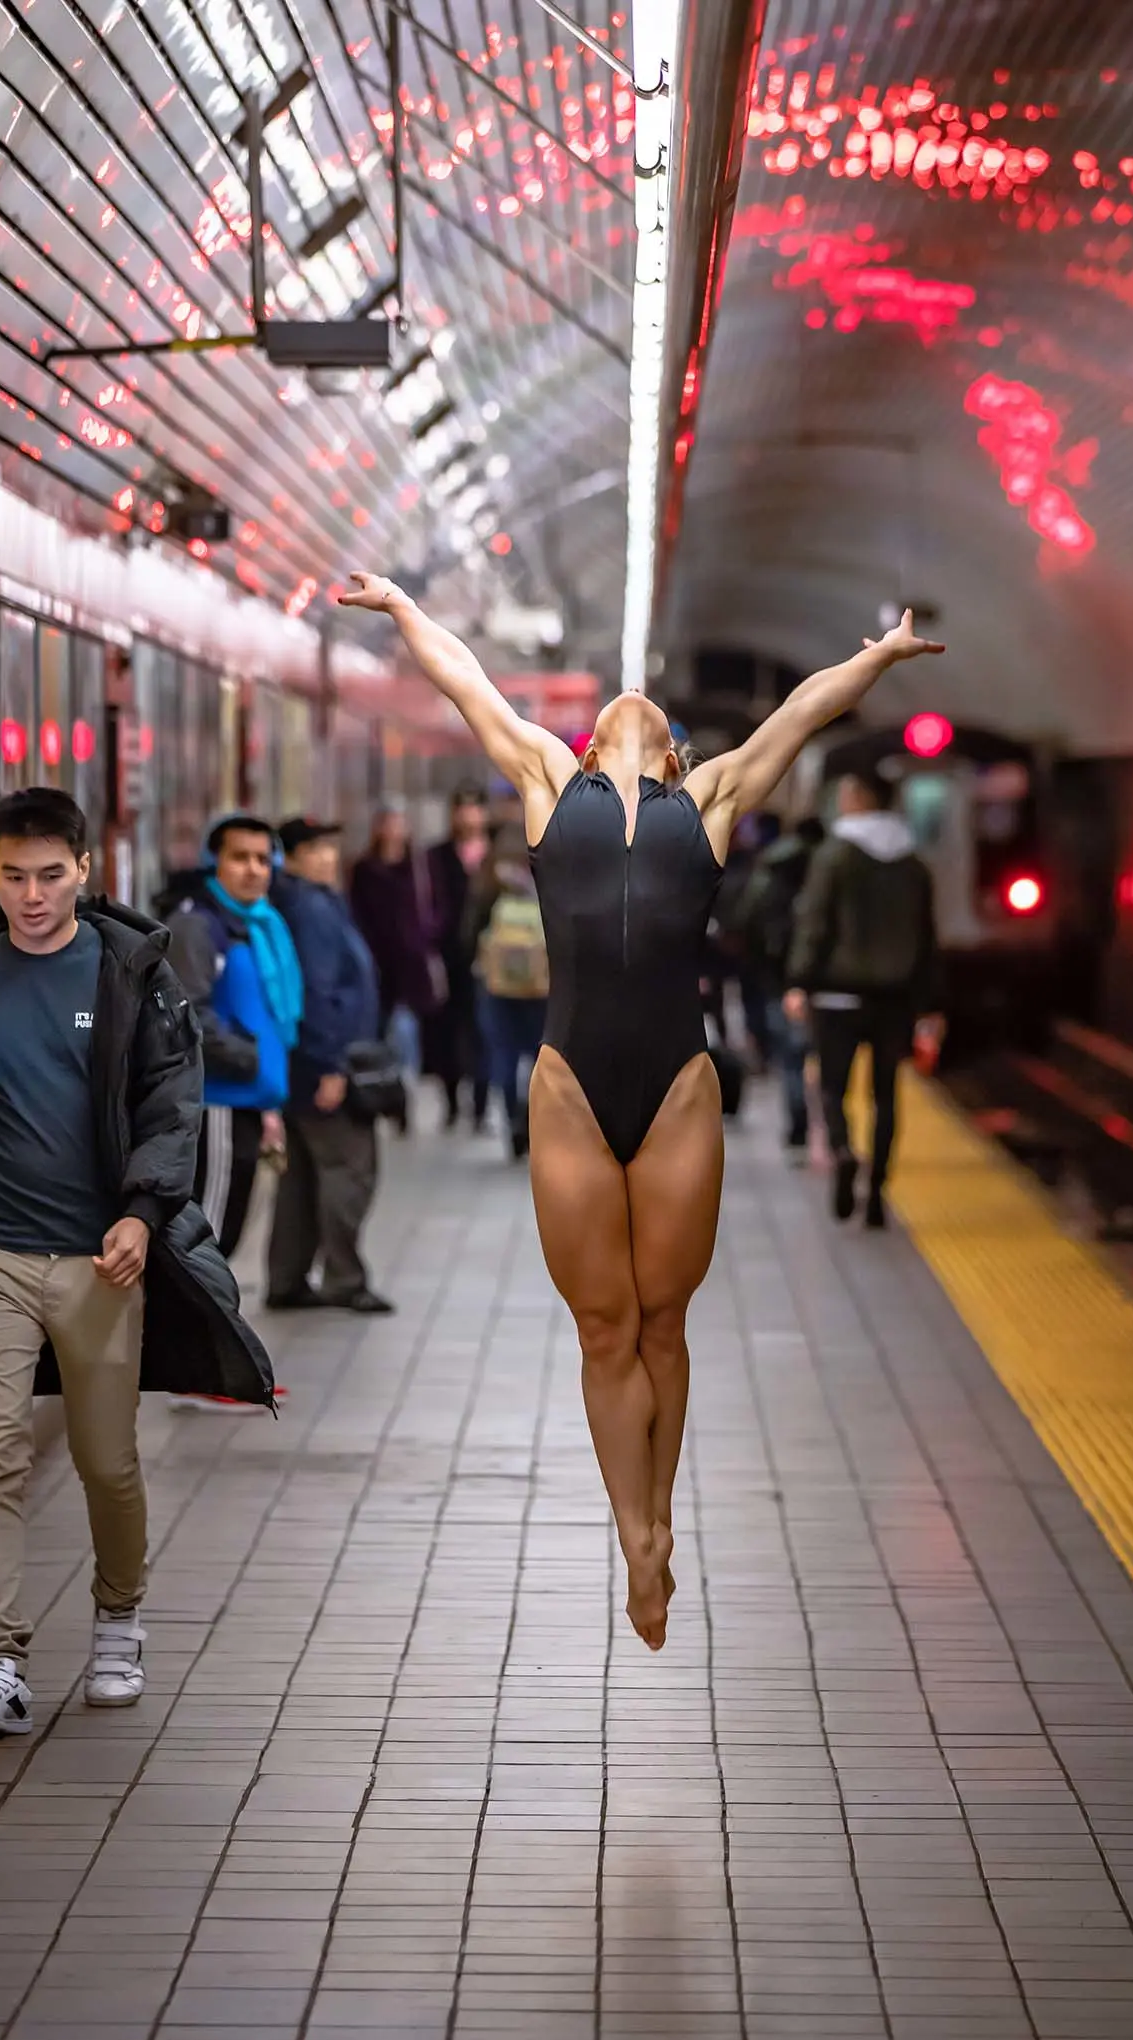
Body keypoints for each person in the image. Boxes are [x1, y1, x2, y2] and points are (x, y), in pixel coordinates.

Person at [339, 575, 943, 1650]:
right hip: (569, 1084)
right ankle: (637, 1538)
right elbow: (465, 680)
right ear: (582, 747)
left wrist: (881, 659)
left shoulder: (707, 796)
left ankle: (660, 1518)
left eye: (650, 711)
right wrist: (398, 609)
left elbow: (804, 711)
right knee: (605, 1325)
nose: (629, 702)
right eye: (613, 710)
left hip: (676, 1087)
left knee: (663, 1322)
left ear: (672, 753)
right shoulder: (538, 777)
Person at [0, 787, 273, 1739]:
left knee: (107, 1461)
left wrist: (142, 1213)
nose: (31, 894)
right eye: (13, 875)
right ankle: (0, 1662)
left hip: (100, 1261)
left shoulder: (131, 971)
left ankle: (118, 1618)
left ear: (86, 871)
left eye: (51, 874)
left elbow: (171, 1104)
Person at [785, 769, 942, 1230]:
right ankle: (876, 1194)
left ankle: (842, 1151)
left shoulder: (833, 857)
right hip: (895, 999)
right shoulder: (914, 864)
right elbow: (928, 938)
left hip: (836, 997)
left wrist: (798, 981)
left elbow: (814, 924)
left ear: (857, 798)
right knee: (886, 1095)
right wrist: (931, 1003)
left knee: (832, 1088)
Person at [157, 814, 301, 1264]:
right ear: (213, 862)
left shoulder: (260, 924)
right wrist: (250, 1059)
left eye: (263, 859)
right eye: (240, 858)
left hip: (247, 1101)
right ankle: (198, 1328)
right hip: (216, 1102)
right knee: (208, 1238)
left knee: (229, 1228)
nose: (253, 870)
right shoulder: (198, 926)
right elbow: (187, 1012)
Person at [267, 817, 392, 1314]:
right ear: (292, 859)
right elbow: (318, 993)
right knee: (349, 1169)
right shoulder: (312, 907)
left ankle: (287, 1277)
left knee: (299, 1177)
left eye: (329, 849)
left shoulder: (304, 901)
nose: (326, 859)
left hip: (302, 1065)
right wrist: (332, 1065)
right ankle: (344, 1277)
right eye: (313, 850)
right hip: (323, 1066)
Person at [734, 816, 826, 1149]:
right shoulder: (828, 867)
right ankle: (838, 1134)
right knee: (826, 1059)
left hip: (775, 979)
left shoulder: (770, 869)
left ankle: (798, 1126)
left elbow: (747, 920)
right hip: (824, 982)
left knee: (791, 1056)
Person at [463, 822, 550, 1160]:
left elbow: (469, 932)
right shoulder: (545, 872)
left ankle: (513, 1116)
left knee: (503, 1052)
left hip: (497, 986)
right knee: (538, 1054)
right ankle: (533, 1117)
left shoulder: (489, 879)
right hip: (540, 988)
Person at [350, 801, 444, 1076]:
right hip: (376, 962)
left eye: (398, 822)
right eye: (388, 822)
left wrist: (424, 936)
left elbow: (438, 907)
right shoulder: (365, 868)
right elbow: (358, 911)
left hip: (411, 963)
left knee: (406, 1028)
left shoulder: (420, 866)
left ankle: (405, 1084)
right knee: (378, 1028)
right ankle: (383, 1082)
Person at [423, 788, 492, 1130]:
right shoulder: (436, 856)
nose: (467, 818)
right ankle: (451, 1100)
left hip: (491, 954)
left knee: (484, 1030)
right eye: (461, 811)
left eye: (473, 810)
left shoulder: (497, 853)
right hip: (451, 954)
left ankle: (480, 1105)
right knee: (448, 1028)